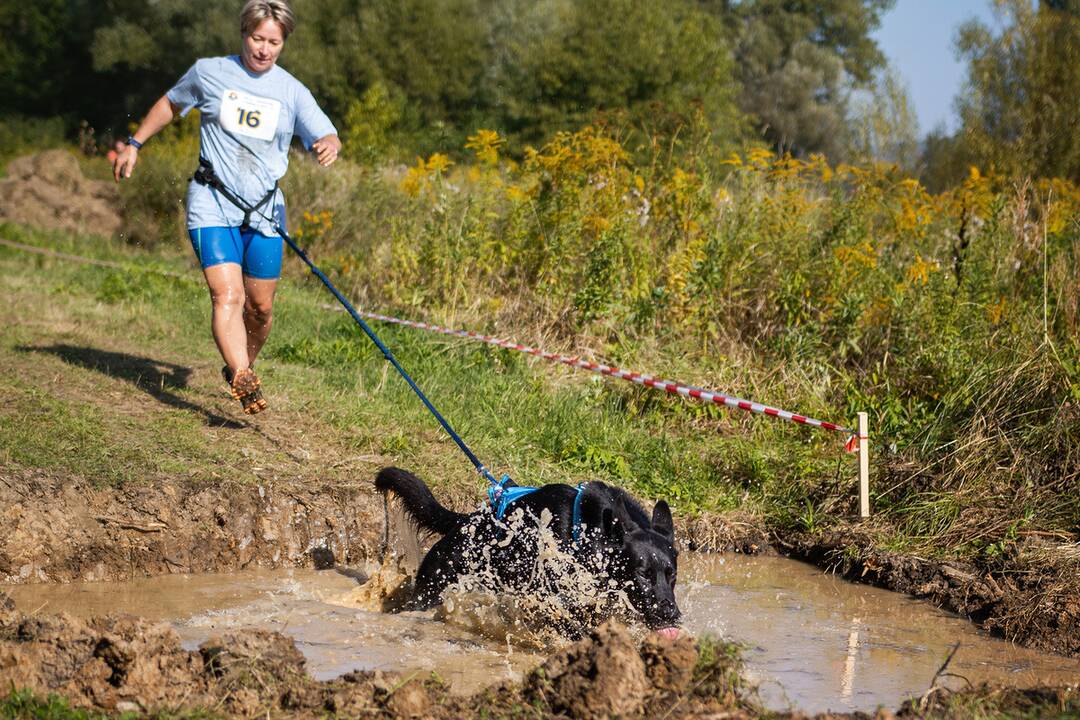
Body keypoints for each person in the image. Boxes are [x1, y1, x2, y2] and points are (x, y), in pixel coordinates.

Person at [113, 0, 341, 415]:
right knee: (227, 296)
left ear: (283, 43)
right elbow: (169, 104)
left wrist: (328, 144)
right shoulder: (210, 72)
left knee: (261, 309)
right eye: (258, 38)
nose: (264, 49)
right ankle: (239, 372)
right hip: (212, 200)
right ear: (243, 33)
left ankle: (242, 368)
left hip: (265, 209)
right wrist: (135, 145)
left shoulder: (291, 90)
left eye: (274, 42)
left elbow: (325, 132)